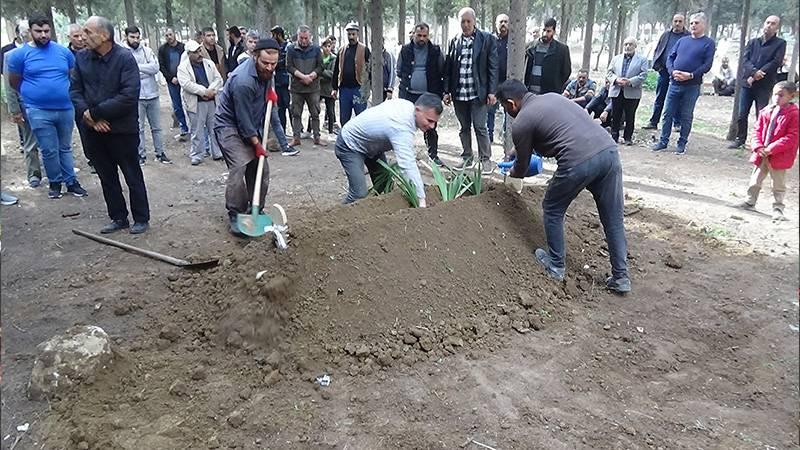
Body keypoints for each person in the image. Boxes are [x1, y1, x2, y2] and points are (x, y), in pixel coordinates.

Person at [496, 79, 630, 294]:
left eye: (504, 108)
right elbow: (552, 132)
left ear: (511, 104)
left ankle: (556, 265)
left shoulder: (521, 121)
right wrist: (516, 152)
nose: (507, 112)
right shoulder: (553, 98)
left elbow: (520, 168)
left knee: (552, 208)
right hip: (608, 152)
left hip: (578, 160)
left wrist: (511, 171)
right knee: (613, 218)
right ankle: (621, 277)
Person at [71, 16, 150, 234]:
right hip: (93, 130)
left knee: (132, 174)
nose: (82, 37)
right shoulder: (81, 58)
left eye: (88, 32)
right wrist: (90, 118)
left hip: (122, 130)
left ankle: (141, 218)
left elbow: (128, 95)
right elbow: (75, 91)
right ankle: (118, 217)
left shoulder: (124, 58)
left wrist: (95, 113)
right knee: (107, 176)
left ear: (104, 35)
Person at [214, 39, 292, 237]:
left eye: (273, 64)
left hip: (251, 123)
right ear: (255, 56)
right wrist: (256, 144)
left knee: (261, 169)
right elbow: (243, 121)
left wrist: (270, 93)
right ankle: (236, 213)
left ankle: (256, 208)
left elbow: (266, 87)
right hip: (229, 126)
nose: (269, 67)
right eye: (265, 63)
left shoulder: (268, 71)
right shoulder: (243, 81)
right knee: (240, 165)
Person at [7, 13, 87, 200]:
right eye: (38, 31)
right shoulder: (19, 55)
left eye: (46, 31)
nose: (43, 35)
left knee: (65, 147)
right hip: (38, 110)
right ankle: (55, 183)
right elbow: (14, 81)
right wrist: (32, 95)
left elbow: (72, 76)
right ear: (30, 32)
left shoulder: (63, 52)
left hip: (66, 108)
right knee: (49, 149)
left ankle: (71, 182)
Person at [335, 93, 442, 206]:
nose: (432, 126)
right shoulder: (400, 126)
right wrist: (421, 199)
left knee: (384, 185)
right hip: (350, 145)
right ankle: (336, 219)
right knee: (358, 194)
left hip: (372, 146)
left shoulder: (408, 107)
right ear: (418, 110)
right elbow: (407, 165)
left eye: (435, 122)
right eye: (429, 120)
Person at [651, 13, 716, 155]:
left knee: (686, 115)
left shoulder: (708, 43)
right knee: (667, 113)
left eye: (696, 23)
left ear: (703, 25)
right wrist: (672, 71)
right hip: (674, 83)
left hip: (692, 85)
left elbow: (707, 64)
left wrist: (691, 75)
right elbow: (670, 57)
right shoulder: (682, 41)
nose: (693, 25)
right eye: (692, 23)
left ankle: (682, 143)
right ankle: (663, 141)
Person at [443, 7, 498, 172]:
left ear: (474, 22)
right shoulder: (454, 41)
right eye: (463, 21)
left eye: (468, 21)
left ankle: (485, 159)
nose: (466, 25)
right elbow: (448, 69)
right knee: (463, 128)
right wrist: (446, 91)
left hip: (478, 93)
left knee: (480, 127)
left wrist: (492, 91)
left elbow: (493, 67)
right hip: (459, 93)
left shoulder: (486, 39)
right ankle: (467, 157)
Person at [738, 81, 798, 221]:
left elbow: (792, 136)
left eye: (781, 95)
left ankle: (778, 208)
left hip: (779, 155)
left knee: (778, 184)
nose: (777, 97)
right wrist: (758, 146)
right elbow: (757, 130)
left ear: (791, 96)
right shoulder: (766, 110)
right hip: (762, 153)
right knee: (755, 179)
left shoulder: (794, 114)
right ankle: (750, 201)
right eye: (775, 94)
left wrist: (772, 149)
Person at [729, 15, 786, 149]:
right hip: (747, 83)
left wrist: (758, 74)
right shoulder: (753, 42)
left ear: (777, 27)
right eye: (767, 22)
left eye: (773, 24)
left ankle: (760, 142)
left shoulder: (780, 43)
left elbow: (776, 62)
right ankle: (740, 139)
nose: (769, 26)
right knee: (742, 113)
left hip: (764, 85)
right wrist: (754, 72)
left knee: (762, 114)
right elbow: (745, 60)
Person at [397, 22, 445, 166]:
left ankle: (433, 155)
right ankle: (405, 155)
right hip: (409, 93)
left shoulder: (435, 50)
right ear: (414, 34)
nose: (422, 38)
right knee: (405, 124)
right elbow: (399, 70)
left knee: (430, 126)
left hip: (429, 94)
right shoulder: (405, 50)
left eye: (425, 36)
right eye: (419, 35)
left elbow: (441, 69)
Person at [122, 26, 170, 165]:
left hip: (152, 94)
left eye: (137, 37)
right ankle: (140, 154)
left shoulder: (147, 51)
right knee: (139, 127)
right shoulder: (123, 53)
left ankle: (160, 153)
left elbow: (155, 68)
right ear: (126, 37)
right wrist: (144, 68)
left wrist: (136, 67)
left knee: (157, 127)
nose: (135, 40)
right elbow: (126, 72)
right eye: (132, 37)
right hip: (135, 96)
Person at [3, 23, 43, 188]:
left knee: (50, 141)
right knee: (30, 141)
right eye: (25, 31)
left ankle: (55, 171)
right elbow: (9, 85)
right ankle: (34, 174)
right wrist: (14, 110)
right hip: (24, 104)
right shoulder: (10, 55)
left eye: (29, 30)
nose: (28, 34)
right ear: (18, 33)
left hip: (44, 103)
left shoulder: (42, 51)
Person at [178, 39, 224, 165]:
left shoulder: (209, 63)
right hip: (195, 102)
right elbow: (186, 84)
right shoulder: (183, 67)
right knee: (197, 130)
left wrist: (211, 90)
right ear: (189, 54)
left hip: (211, 101)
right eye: (196, 52)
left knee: (214, 127)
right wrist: (203, 92)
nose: (199, 54)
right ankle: (197, 154)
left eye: (199, 50)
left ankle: (217, 152)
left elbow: (218, 79)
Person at [643, 14, 690, 130]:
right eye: (675, 21)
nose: (677, 23)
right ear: (672, 22)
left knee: (678, 99)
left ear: (684, 23)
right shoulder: (666, 35)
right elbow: (658, 50)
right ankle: (653, 122)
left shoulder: (688, 36)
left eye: (680, 21)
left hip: (680, 73)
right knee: (660, 97)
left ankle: (677, 123)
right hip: (664, 72)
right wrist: (657, 66)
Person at [607, 37, 649, 145]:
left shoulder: (642, 60)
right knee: (615, 115)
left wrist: (630, 81)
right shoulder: (616, 58)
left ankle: (627, 138)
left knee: (630, 116)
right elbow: (609, 73)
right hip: (617, 90)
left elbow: (643, 75)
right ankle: (614, 136)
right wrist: (616, 80)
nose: (628, 47)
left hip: (632, 92)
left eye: (630, 44)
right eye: (626, 44)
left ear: (635, 46)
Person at [287, 25, 324, 146]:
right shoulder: (291, 49)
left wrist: (311, 76)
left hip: (313, 87)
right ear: (297, 36)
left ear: (310, 37)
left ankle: (317, 136)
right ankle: (296, 137)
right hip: (297, 87)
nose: (303, 40)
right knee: (296, 113)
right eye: (301, 38)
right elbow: (289, 67)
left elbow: (320, 67)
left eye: (306, 38)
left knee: (315, 113)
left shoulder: (317, 49)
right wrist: (302, 77)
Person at [332, 22, 372, 126]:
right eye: (349, 34)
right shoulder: (341, 50)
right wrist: (334, 88)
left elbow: (370, 69)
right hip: (344, 89)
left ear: (357, 34)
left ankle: (361, 141)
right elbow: (336, 70)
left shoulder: (364, 50)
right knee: (344, 119)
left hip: (359, 89)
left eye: (353, 34)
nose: (351, 37)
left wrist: (368, 89)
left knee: (361, 118)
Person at [523, 17, 571, 95]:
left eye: (548, 31)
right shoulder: (530, 47)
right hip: (530, 92)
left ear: (554, 32)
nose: (545, 34)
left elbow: (566, 71)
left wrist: (556, 85)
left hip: (550, 93)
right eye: (544, 30)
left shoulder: (562, 50)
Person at [158, 28, 189, 141]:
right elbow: (161, 66)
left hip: (185, 80)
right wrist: (171, 78)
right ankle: (183, 127)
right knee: (177, 105)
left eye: (170, 34)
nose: (169, 37)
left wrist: (183, 77)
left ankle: (191, 127)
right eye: (166, 35)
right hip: (172, 82)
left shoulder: (183, 47)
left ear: (175, 34)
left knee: (188, 104)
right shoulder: (162, 50)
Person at [487, 13, 509, 146]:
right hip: (492, 82)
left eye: (506, 22)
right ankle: (488, 137)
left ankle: (506, 136)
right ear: (496, 24)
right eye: (501, 22)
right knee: (490, 110)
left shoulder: (513, 41)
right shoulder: (490, 39)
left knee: (508, 110)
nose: (503, 24)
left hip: (508, 82)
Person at [271, 26, 292, 132]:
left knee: (291, 108)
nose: (272, 37)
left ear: (278, 35)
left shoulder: (288, 47)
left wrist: (275, 63)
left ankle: (297, 131)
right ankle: (282, 131)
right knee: (280, 109)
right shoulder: (275, 47)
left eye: (273, 35)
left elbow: (285, 62)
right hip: (278, 82)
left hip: (287, 83)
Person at [320, 38, 338, 135]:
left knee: (330, 111)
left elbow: (332, 74)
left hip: (329, 88)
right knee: (314, 110)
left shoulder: (334, 58)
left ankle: (330, 132)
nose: (327, 48)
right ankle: (310, 130)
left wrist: (321, 72)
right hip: (318, 88)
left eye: (329, 46)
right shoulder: (318, 58)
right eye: (325, 46)